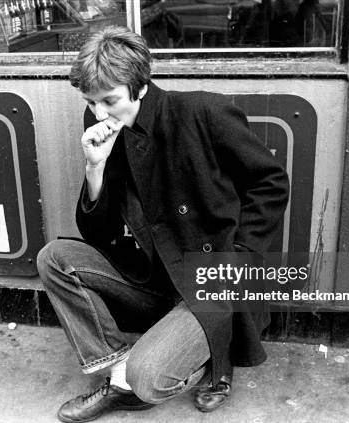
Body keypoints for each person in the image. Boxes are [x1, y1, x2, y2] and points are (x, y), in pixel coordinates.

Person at [37, 25, 289, 423]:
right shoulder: (102, 125)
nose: (99, 113)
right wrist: (94, 167)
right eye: (91, 102)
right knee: (55, 258)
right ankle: (119, 372)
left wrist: (239, 257)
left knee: (150, 379)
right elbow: (98, 234)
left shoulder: (203, 112)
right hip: (154, 275)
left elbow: (270, 183)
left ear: (140, 87)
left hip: (209, 280)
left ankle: (188, 366)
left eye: (110, 100)